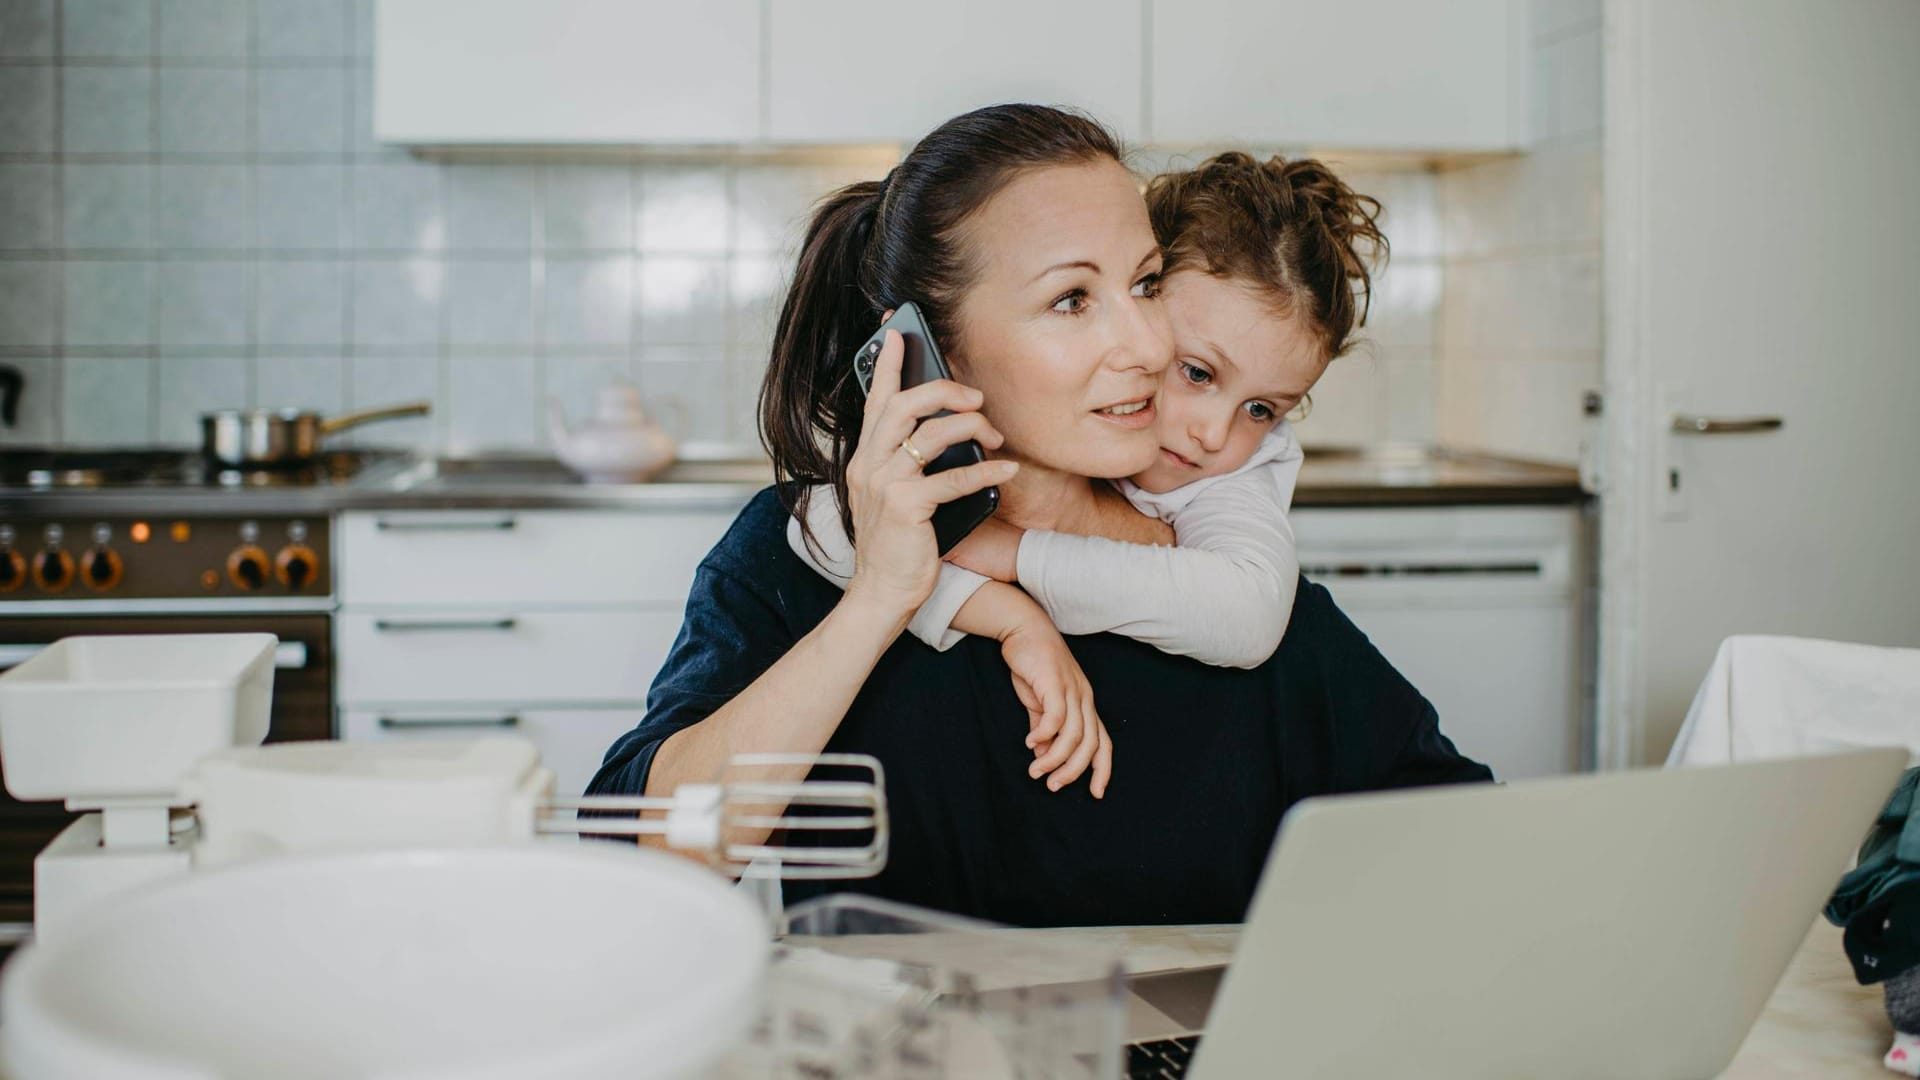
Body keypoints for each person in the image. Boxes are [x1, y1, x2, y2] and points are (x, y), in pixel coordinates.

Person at [588, 105, 1490, 928]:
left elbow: (1464, 847)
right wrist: (880, 602)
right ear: (927, 345)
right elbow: (644, 859)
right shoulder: (804, 555)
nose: (1146, 345)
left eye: (1143, 285)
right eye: (1071, 299)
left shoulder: (1231, 581)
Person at [782, 153, 1387, 799]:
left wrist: (1014, 554)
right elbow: (830, 525)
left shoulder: (1234, 483)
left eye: (1261, 410)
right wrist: (1011, 617)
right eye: (1198, 372)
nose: (1214, 435)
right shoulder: (851, 515)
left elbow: (1245, 617)